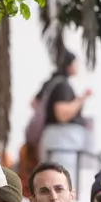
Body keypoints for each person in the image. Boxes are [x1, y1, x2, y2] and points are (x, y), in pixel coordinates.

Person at [37, 50, 93, 188]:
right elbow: (61, 114)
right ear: (69, 65)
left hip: (54, 138)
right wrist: (80, 100)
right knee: (61, 180)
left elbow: (34, 102)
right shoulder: (63, 85)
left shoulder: (51, 82)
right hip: (62, 140)